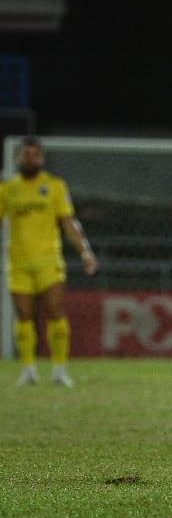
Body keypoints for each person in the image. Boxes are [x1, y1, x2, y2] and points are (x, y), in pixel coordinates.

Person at [0, 137, 98, 387]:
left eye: (34, 154)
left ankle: (59, 369)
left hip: (49, 261)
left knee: (55, 311)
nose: (30, 158)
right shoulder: (8, 190)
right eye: (25, 154)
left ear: (42, 159)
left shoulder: (54, 186)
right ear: (17, 158)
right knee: (23, 314)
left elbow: (68, 222)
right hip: (18, 262)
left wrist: (85, 252)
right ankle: (28, 369)